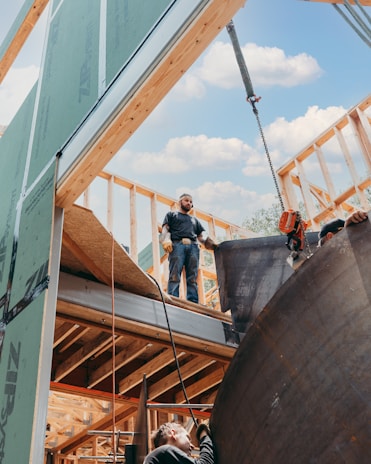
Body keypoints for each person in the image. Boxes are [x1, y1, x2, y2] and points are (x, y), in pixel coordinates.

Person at [160, 193, 217, 303]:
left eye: (191, 202)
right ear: (179, 202)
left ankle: (193, 302)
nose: (189, 203)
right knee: (175, 275)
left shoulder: (194, 220)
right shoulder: (172, 215)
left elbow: (201, 236)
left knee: (192, 277)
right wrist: (166, 239)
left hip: (193, 247)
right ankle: (173, 300)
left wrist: (209, 243)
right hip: (177, 246)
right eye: (186, 200)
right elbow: (165, 229)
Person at [143, 421, 214, 464]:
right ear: (173, 433)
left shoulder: (160, 458)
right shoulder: (165, 451)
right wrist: (203, 433)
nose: (192, 446)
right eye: (188, 438)